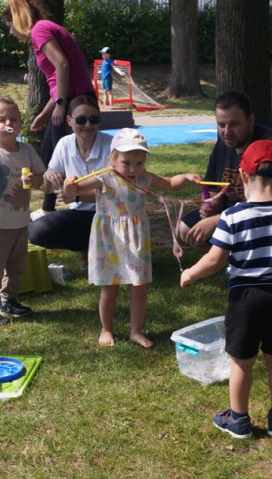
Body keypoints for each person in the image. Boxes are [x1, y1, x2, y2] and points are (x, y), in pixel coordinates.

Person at [181, 140, 272, 439]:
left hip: (245, 299)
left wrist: (191, 273)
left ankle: (239, 420)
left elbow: (215, 259)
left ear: (243, 177)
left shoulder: (232, 216)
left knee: (241, 361)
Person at [62, 128, 200, 348]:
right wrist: (69, 186)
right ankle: (106, 328)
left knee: (139, 286)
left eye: (139, 163)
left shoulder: (144, 177)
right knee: (110, 287)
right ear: (114, 158)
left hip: (135, 239)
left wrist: (186, 178)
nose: (133, 168)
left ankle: (136, 331)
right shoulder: (104, 177)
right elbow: (72, 193)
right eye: (126, 162)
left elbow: (170, 183)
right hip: (108, 239)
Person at [178, 91, 272, 251]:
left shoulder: (269, 148)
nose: (227, 132)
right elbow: (212, 189)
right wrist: (210, 206)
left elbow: (266, 206)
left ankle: (250, 264)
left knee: (236, 231)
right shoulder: (224, 144)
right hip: (240, 215)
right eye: (221, 125)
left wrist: (217, 220)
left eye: (234, 124)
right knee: (187, 229)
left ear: (250, 120)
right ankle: (236, 261)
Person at [1, 0, 95, 216]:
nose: (11, 32)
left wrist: (62, 104)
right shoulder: (43, 29)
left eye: (10, 26)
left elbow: (62, 65)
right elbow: (59, 79)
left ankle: (62, 207)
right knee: (49, 152)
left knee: (56, 155)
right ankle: (48, 207)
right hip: (71, 98)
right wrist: (46, 112)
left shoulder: (40, 30)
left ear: (18, 19)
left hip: (76, 102)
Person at [0, 97, 46, 329]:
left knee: (17, 267)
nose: (9, 123)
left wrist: (35, 180)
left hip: (20, 220)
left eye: (13, 119)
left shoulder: (26, 150)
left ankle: (9, 301)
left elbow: (41, 178)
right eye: (2, 119)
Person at [28, 93, 113, 257]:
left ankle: (93, 250)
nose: (88, 125)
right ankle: (87, 248)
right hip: (80, 214)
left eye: (94, 120)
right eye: (81, 120)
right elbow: (48, 186)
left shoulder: (112, 145)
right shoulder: (64, 143)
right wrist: (43, 178)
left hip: (112, 214)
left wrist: (77, 196)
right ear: (69, 121)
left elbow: (114, 193)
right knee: (37, 231)